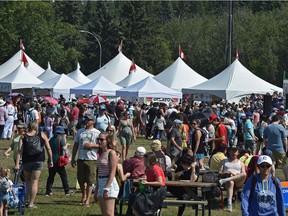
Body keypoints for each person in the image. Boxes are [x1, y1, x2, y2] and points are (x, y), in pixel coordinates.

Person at [14, 121, 53, 209]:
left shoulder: (23, 136)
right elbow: (48, 148)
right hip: (38, 160)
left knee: (27, 181)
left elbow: (19, 151)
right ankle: (31, 203)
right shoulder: (42, 134)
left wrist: (17, 163)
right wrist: (50, 160)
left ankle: (25, 201)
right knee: (35, 181)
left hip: (27, 160)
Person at [71, 113, 100, 207]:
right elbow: (76, 145)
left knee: (90, 181)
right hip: (81, 158)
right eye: (86, 119)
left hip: (92, 159)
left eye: (89, 120)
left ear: (93, 121)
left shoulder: (97, 133)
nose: (86, 121)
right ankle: (83, 196)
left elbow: (102, 145)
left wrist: (92, 145)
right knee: (81, 180)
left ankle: (87, 199)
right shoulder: (80, 131)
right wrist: (73, 157)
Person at [96, 132, 119, 216]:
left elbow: (113, 172)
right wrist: (97, 187)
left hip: (109, 183)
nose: (99, 141)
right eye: (98, 139)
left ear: (108, 141)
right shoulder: (100, 153)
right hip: (101, 181)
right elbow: (98, 171)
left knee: (109, 214)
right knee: (104, 213)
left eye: (102, 139)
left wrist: (107, 188)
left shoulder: (111, 153)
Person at [45, 126, 72, 196]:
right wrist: (67, 145)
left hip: (51, 160)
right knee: (63, 176)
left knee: (51, 176)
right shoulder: (61, 139)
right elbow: (64, 148)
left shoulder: (51, 139)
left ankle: (48, 191)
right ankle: (67, 191)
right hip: (59, 161)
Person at [218, 147, 246, 212]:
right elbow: (219, 173)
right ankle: (229, 205)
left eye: (235, 151)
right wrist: (226, 173)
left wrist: (234, 174)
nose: (233, 153)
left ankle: (226, 180)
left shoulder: (241, 163)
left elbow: (243, 173)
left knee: (244, 174)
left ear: (238, 153)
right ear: (229, 152)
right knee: (231, 182)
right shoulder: (224, 161)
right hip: (227, 181)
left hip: (238, 181)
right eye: (232, 151)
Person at [263, 114, 288, 180]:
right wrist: (286, 148)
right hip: (280, 148)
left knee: (272, 163)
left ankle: (272, 178)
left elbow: (265, 139)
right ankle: (287, 178)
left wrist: (266, 147)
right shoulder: (280, 127)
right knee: (284, 164)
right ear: (278, 120)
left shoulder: (267, 127)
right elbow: (285, 138)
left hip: (270, 149)